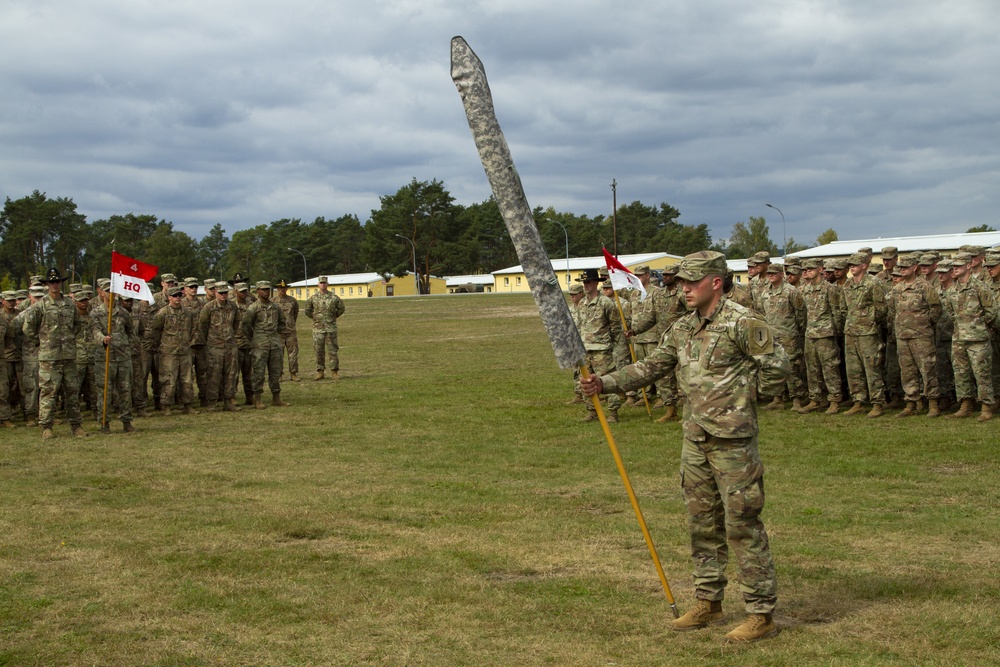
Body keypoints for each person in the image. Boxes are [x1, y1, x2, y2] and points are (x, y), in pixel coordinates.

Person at [582, 251, 787, 643]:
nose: (684, 289)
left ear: (715, 282)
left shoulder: (742, 323)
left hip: (733, 443)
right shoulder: (682, 328)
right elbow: (651, 367)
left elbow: (777, 366)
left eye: (691, 282)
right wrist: (604, 383)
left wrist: (743, 400)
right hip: (694, 440)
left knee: (743, 525)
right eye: (681, 283)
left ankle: (761, 612)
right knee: (701, 524)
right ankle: (707, 600)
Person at [21, 269, 91, 439]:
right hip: (49, 357)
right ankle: (46, 427)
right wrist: (42, 341)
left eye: (57, 281)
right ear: (46, 284)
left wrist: (68, 340)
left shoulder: (69, 304)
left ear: (61, 283)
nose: (54, 284)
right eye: (51, 282)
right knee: (48, 392)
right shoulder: (40, 305)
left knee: (72, 392)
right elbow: (28, 328)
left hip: (68, 355)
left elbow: (77, 325)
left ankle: (76, 426)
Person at [943, 252, 999, 421]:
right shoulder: (952, 290)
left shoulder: (981, 287)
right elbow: (950, 312)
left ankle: (986, 407)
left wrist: (980, 326)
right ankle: (966, 405)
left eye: (959, 266)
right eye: (954, 267)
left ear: (968, 266)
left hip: (978, 338)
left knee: (982, 373)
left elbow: (992, 312)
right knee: (961, 373)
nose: (955, 269)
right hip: (959, 337)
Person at [890, 253, 942, 417]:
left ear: (914, 268)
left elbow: (936, 309)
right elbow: (892, 309)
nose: (903, 270)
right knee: (907, 371)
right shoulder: (897, 289)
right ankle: (911, 402)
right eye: (901, 268)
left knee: (927, 369)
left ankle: (933, 403)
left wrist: (925, 322)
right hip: (903, 336)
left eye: (906, 267)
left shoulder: (924, 286)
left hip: (921, 335)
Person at [571, 268, 622, 423]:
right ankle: (592, 411)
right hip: (584, 349)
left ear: (595, 283)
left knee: (607, 381)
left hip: (602, 349)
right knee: (585, 382)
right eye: (583, 282)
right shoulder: (581, 304)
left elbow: (615, 326)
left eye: (588, 282)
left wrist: (612, 344)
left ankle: (613, 412)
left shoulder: (606, 303)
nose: (585, 285)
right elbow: (579, 325)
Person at [841, 252, 888, 417]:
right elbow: (843, 308)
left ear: (864, 265)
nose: (852, 267)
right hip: (851, 331)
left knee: (872, 368)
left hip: (868, 332)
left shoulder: (873, 283)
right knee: (853, 369)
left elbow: (882, 308)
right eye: (850, 265)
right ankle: (859, 401)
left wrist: (870, 320)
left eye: (855, 264)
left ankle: (877, 403)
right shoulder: (847, 285)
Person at [90, 291, 137, 432]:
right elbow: (94, 330)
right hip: (105, 357)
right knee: (104, 391)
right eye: (107, 291)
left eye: (113, 291)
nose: (110, 294)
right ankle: (104, 423)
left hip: (123, 357)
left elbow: (131, 331)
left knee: (125, 390)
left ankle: (127, 421)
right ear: (101, 292)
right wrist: (102, 338)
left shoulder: (123, 313)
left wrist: (131, 348)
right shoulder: (95, 313)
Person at [150, 285, 198, 416]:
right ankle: (166, 406)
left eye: (179, 295)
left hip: (184, 351)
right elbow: (156, 331)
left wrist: (189, 342)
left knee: (187, 380)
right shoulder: (163, 313)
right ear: (169, 297)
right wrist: (162, 346)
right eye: (175, 296)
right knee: (168, 380)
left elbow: (193, 329)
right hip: (168, 353)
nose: (178, 298)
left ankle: (188, 405)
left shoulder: (188, 313)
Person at [241, 281, 289, 409]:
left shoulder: (275, 307)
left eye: (268, 289)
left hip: (274, 343)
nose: (266, 292)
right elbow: (245, 325)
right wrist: (255, 338)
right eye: (263, 289)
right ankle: (258, 399)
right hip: (259, 344)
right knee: (258, 371)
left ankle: (276, 397)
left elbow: (282, 322)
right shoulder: (253, 308)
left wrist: (274, 334)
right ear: (258, 291)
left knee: (275, 370)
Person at [199, 281, 241, 411]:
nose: (223, 295)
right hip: (214, 347)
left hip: (229, 346)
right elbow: (202, 326)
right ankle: (212, 402)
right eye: (221, 293)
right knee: (213, 375)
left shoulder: (233, 306)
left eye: (225, 293)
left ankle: (228, 401)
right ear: (216, 292)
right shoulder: (209, 307)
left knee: (230, 374)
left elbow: (236, 323)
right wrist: (210, 341)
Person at [305, 276, 345, 380]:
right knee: (319, 351)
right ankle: (320, 371)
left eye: (324, 283)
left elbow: (341, 308)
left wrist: (333, 317)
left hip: (330, 328)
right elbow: (307, 310)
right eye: (321, 283)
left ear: (327, 284)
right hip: (318, 329)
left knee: (333, 351)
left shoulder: (334, 297)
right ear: (318, 285)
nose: (323, 284)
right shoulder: (313, 298)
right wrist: (315, 318)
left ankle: (334, 371)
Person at [273, 279, 301, 382]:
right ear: (278, 289)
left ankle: (293, 373)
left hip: (290, 332)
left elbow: (295, 314)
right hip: (278, 333)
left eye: (284, 288)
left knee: (293, 353)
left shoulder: (292, 301)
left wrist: (291, 324)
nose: (283, 290)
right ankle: (278, 374)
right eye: (281, 288)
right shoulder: (273, 301)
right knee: (278, 354)